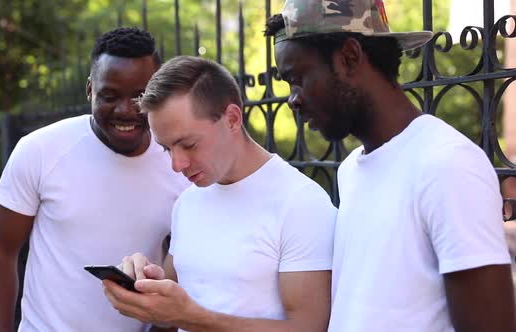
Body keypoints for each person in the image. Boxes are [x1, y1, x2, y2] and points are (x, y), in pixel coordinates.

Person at [265, 0, 516, 331]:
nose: (292, 99)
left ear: (350, 57)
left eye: (297, 78)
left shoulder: (446, 163)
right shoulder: (351, 170)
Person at [102, 56, 338, 332]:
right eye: (166, 148)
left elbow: (309, 328)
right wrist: (142, 280)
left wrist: (191, 318)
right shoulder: (188, 201)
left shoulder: (300, 203)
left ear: (232, 119)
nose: (177, 165)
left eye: (188, 144)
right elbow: (174, 305)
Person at [0, 27, 188, 332]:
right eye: (109, 95)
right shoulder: (40, 150)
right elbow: (1, 251)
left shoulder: (180, 164)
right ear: (90, 89)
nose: (125, 110)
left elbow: (186, 269)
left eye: (140, 96)